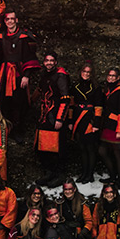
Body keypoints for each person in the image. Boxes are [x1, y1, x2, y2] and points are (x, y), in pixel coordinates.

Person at [0, 11, 40, 141]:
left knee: (19, 101)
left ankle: (18, 130)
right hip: (4, 73)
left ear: (16, 20)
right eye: (8, 19)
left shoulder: (24, 37)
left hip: (18, 73)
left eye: (12, 19)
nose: (10, 21)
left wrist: (26, 76)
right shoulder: (0, 37)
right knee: (4, 101)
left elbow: (29, 56)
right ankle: (5, 130)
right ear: (4, 21)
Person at [34, 52, 72, 188]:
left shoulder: (61, 76)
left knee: (58, 148)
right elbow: (40, 90)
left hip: (56, 117)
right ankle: (49, 173)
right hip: (45, 116)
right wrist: (29, 101)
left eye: (52, 60)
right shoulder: (44, 74)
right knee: (44, 147)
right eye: (47, 60)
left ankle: (60, 175)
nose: (49, 63)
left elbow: (65, 99)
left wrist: (60, 119)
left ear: (56, 62)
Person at [98, 67, 120, 188]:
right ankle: (112, 176)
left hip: (117, 126)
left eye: (113, 76)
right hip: (107, 125)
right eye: (109, 75)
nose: (111, 78)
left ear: (118, 78)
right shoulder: (108, 89)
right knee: (102, 151)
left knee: (118, 153)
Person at [70, 62, 103, 184]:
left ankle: (90, 174)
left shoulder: (96, 87)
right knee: (82, 147)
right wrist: (70, 121)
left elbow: (99, 107)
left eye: (88, 72)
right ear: (80, 72)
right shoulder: (75, 86)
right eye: (84, 71)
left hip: (90, 119)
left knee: (90, 148)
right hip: (78, 119)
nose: (86, 74)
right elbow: (71, 105)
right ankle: (84, 173)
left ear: (92, 74)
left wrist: (96, 124)